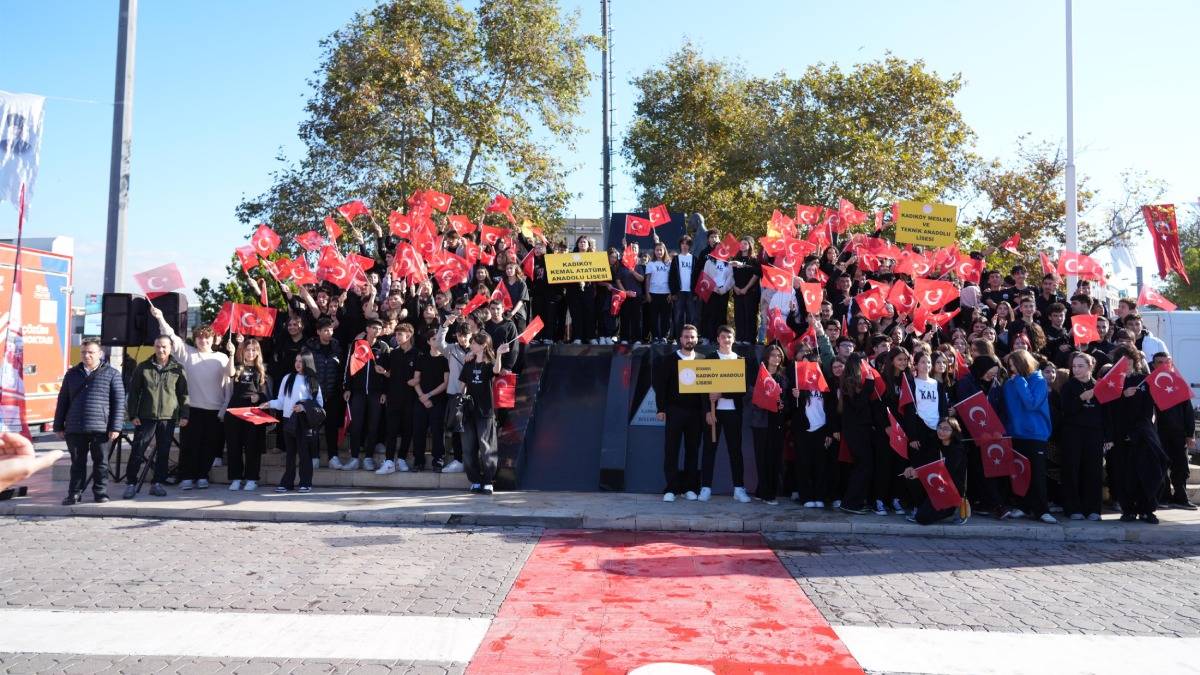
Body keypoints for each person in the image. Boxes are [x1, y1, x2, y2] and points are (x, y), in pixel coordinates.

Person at [150, 305, 229, 490]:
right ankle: (187, 476)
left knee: (209, 446)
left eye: (207, 337)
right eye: (199, 337)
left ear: (213, 339)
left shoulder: (222, 358)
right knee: (189, 445)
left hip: (215, 409)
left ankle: (202, 476)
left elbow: (228, 386)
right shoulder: (187, 353)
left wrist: (225, 407)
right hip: (191, 408)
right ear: (195, 339)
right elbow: (171, 336)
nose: (203, 340)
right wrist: (160, 317)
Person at [52, 338, 125, 504]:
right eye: (84, 352)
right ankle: (74, 493)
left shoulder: (112, 374)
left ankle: (100, 493)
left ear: (100, 354)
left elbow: (118, 402)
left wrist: (115, 427)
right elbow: (63, 400)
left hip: (101, 428)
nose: (87, 355)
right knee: (77, 463)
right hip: (75, 427)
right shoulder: (72, 374)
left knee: (101, 463)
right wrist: (58, 425)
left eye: (91, 352)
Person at [1106, 346, 1170, 523]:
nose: (1126, 364)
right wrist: (1123, 396)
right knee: (1124, 474)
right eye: (1122, 361)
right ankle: (1128, 510)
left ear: (1135, 362)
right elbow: (1109, 409)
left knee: (1151, 470)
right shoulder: (1112, 381)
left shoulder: (1144, 380)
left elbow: (1148, 410)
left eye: (1129, 361)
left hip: (1143, 433)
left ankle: (1147, 509)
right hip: (1120, 434)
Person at [124, 335, 189, 498]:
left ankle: (157, 483)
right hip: (146, 416)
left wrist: (184, 415)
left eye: (164, 346)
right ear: (154, 347)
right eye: (158, 346)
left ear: (170, 348)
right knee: (138, 450)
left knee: (163, 452)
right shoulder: (143, 367)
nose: (161, 349)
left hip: (168, 417)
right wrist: (132, 414)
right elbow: (133, 393)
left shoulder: (178, 368)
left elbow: (184, 394)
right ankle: (131, 483)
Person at [653, 324, 705, 502]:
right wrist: (661, 408)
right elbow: (661, 386)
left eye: (692, 337)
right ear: (680, 339)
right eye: (686, 337)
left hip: (696, 413)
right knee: (671, 450)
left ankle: (690, 488)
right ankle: (671, 488)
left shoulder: (703, 360)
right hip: (674, 411)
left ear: (697, 339)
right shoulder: (669, 360)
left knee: (693, 451)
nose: (689, 340)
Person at [699, 326, 752, 503]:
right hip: (714, 412)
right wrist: (707, 411)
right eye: (723, 337)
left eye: (729, 337)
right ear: (718, 339)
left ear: (733, 339)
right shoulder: (710, 358)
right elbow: (703, 387)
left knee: (735, 450)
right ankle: (706, 487)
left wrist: (722, 394)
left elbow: (742, 389)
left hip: (733, 413)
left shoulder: (740, 360)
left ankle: (739, 488)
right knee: (709, 449)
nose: (726, 340)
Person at [1002, 349, 1056, 523]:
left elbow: (1031, 404)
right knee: (1020, 473)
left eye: (1014, 365)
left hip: (1036, 435)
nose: (1012, 369)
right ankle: (1023, 506)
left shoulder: (1038, 380)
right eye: (1010, 366)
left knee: (1037, 474)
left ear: (1023, 363)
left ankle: (1042, 510)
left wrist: (1019, 381)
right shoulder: (1009, 383)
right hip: (1016, 434)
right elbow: (1007, 409)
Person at [262, 350, 324, 493]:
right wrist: (269, 404)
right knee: (290, 454)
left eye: (301, 361)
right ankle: (287, 482)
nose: (298, 364)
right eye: (296, 361)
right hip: (288, 419)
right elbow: (281, 401)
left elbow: (319, 403)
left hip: (304, 421)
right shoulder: (288, 378)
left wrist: (303, 407)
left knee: (304, 454)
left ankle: (305, 482)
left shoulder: (312, 380)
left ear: (307, 362)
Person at [1058, 352, 1109, 521]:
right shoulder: (1068, 386)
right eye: (1074, 366)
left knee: (1093, 471)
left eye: (1080, 366)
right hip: (1073, 433)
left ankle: (1093, 509)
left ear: (1090, 367)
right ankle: (1073, 508)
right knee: (1072, 470)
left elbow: (1106, 413)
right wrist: (1080, 398)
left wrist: (1107, 436)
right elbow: (1065, 410)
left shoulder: (1098, 386)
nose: (1076, 369)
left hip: (1094, 433)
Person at [459, 333, 509, 495]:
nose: (471, 345)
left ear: (483, 345)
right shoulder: (468, 363)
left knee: (486, 447)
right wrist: (460, 402)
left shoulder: (489, 364)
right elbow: (462, 385)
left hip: (485, 411)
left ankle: (488, 481)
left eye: (474, 343)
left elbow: (496, 370)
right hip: (468, 412)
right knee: (468, 448)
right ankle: (475, 480)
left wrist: (499, 354)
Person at [222, 337, 272, 492]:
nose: (250, 353)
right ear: (243, 351)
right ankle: (236, 478)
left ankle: (252, 478)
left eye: (253, 350)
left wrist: (259, 396)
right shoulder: (238, 367)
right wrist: (231, 354)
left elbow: (265, 394)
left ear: (258, 352)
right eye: (248, 350)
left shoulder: (261, 370)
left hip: (253, 412)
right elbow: (229, 373)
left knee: (253, 447)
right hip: (235, 411)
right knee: (234, 446)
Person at [340, 318, 390, 471]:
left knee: (373, 425)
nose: (376, 331)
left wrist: (385, 391)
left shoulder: (383, 347)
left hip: (376, 393)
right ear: (367, 329)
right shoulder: (357, 345)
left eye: (379, 329)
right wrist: (347, 388)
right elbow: (348, 367)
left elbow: (388, 371)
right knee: (356, 425)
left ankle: (368, 458)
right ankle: (354, 457)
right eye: (373, 328)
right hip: (358, 392)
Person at [1150, 353, 1196, 510]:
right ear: (1153, 365)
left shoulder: (1179, 383)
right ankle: (1164, 497)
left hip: (1178, 434)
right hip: (1158, 434)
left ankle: (1181, 498)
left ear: (1171, 364)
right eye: (1159, 362)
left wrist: (1190, 434)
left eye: (1166, 362)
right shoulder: (1149, 384)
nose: (1163, 365)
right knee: (1161, 466)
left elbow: (1188, 412)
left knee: (1181, 467)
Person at [903, 417, 968, 525]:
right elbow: (923, 462)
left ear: (954, 431)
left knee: (922, 518)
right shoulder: (934, 444)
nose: (941, 431)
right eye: (940, 427)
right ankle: (920, 506)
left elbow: (947, 472)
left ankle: (951, 509)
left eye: (946, 429)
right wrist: (912, 468)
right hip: (935, 484)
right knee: (911, 477)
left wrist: (921, 474)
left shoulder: (957, 449)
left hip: (949, 489)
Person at [750, 343, 791, 505]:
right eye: (773, 355)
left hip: (777, 422)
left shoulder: (783, 378)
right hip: (760, 422)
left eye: (779, 355)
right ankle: (766, 494)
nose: (776, 358)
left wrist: (783, 404)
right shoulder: (758, 375)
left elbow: (787, 403)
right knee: (761, 458)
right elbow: (750, 397)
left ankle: (765, 491)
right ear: (767, 357)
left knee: (774, 458)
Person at [839, 354, 878, 515]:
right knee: (863, 466)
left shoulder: (853, 382)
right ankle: (850, 502)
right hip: (856, 430)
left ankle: (857, 501)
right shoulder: (850, 382)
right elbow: (858, 404)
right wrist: (869, 385)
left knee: (863, 466)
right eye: (864, 363)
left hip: (860, 429)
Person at [377, 322, 418, 474]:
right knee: (391, 430)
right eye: (396, 334)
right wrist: (382, 372)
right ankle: (389, 461)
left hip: (410, 398)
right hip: (393, 397)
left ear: (409, 335)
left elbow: (419, 377)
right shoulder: (393, 354)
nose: (397, 337)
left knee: (407, 430)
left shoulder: (417, 354)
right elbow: (389, 374)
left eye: (400, 334)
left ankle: (401, 459)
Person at [410, 329, 450, 471]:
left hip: (438, 400)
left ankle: (438, 459)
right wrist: (422, 396)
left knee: (437, 430)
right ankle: (418, 461)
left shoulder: (445, 359)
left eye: (438, 339)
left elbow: (445, 383)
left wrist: (429, 395)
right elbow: (416, 379)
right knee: (418, 430)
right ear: (428, 342)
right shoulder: (421, 358)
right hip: (421, 399)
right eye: (433, 339)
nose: (436, 342)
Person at [306, 317, 343, 468]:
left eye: (331, 330)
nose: (329, 333)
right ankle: (314, 457)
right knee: (313, 427)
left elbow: (341, 371)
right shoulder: (309, 348)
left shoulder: (337, 348)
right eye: (326, 330)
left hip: (333, 394)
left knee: (331, 427)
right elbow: (305, 371)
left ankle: (333, 457)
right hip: (314, 394)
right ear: (318, 332)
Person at [668, 235, 701, 339]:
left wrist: (696, 293)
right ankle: (679, 339)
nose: (685, 245)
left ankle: (691, 338)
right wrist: (673, 292)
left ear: (690, 246)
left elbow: (698, 277)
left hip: (691, 292)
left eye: (687, 244)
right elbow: (672, 277)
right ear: (680, 245)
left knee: (692, 317)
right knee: (678, 317)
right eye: (683, 243)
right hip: (679, 292)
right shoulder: (676, 259)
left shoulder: (694, 259)